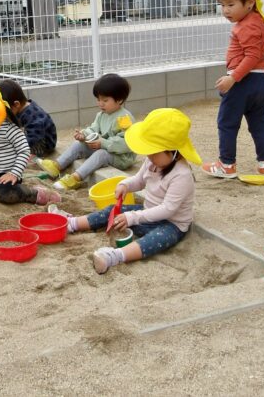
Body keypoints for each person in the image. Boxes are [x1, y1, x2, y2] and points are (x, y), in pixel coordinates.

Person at [50, 108, 201, 275]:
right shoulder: (152, 162)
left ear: (173, 151)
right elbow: (139, 181)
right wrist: (125, 185)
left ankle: (115, 256)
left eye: (154, 152)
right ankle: (72, 224)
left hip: (172, 224)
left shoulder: (181, 175)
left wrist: (133, 217)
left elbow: (168, 209)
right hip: (147, 212)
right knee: (112, 211)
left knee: (156, 240)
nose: (149, 156)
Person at [201, 0, 264, 179]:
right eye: (222, 5)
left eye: (231, 5)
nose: (225, 10)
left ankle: (226, 165)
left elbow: (252, 56)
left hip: (243, 82)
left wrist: (233, 78)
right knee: (259, 123)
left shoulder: (247, 25)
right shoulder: (256, 21)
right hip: (261, 81)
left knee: (227, 123)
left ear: (250, 2)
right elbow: (257, 55)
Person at [38, 73, 135, 190]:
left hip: (121, 157)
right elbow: (93, 129)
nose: (100, 104)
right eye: (98, 99)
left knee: (101, 154)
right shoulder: (102, 115)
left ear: (119, 100)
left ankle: (75, 178)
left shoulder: (124, 118)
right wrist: (84, 135)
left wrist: (102, 143)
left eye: (105, 100)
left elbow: (126, 143)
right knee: (79, 144)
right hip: (104, 148)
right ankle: (57, 166)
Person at [0, 78, 57, 157]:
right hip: (33, 136)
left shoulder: (33, 115)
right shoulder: (20, 109)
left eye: (6, 110)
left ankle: (33, 156)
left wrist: (18, 146)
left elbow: (34, 137)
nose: (5, 114)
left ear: (16, 104)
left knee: (18, 151)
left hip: (44, 144)